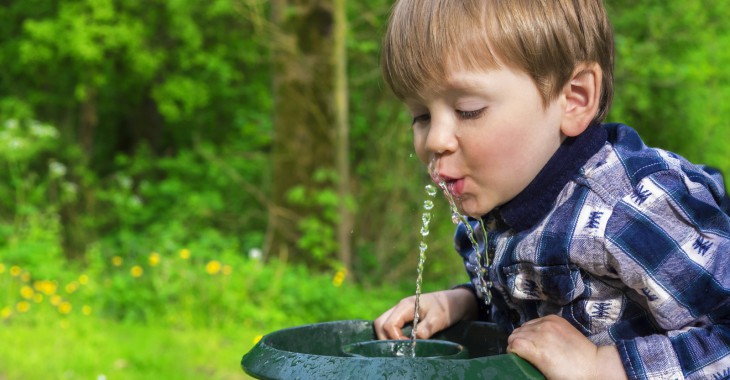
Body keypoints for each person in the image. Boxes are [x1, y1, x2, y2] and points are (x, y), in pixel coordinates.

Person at [372, 1, 730, 379]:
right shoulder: (497, 205)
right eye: (421, 116)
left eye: (469, 109)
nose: (436, 140)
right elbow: (525, 301)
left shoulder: (627, 210)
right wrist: (462, 303)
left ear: (574, 98)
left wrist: (603, 368)